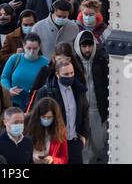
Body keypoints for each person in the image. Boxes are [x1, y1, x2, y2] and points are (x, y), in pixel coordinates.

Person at [35, 59, 89, 164]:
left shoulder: (78, 89)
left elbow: (85, 112)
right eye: (66, 74)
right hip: (54, 143)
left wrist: (84, 135)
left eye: (72, 73)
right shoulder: (46, 92)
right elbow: (37, 117)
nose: (69, 76)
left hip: (74, 142)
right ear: (57, 74)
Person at [73, 31, 108, 163]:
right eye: (84, 46)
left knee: (99, 143)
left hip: (98, 110)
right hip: (81, 111)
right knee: (84, 146)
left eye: (90, 46)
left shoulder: (102, 60)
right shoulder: (74, 63)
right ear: (78, 46)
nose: (87, 49)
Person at [1, 33, 49, 111]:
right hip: (14, 103)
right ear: (24, 46)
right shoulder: (15, 58)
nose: (31, 51)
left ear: (39, 47)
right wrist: (8, 90)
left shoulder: (45, 62)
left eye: (35, 48)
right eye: (29, 48)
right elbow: (4, 77)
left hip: (36, 104)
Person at [25, 97, 68, 164]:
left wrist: (53, 160)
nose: (46, 119)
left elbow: (64, 158)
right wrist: (31, 156)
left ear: (55, 117)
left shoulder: (60, 130)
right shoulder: (27, 125)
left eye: (49, 117)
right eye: (43, 117)